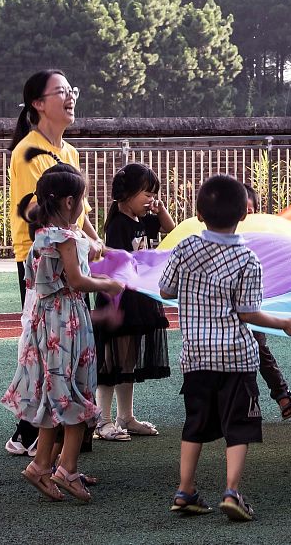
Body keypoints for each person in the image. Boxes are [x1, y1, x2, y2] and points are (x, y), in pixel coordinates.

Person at [159, 174, 291, 521]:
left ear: (197, 213)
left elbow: (165, 290)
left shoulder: (185, 247)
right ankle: (232, 492)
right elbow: (248, 312)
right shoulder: (248, 259)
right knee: (239, 426)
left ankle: (185, 490)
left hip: (195, 356)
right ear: (244, 215)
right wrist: (285, 323)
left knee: (194, 423)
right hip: (236, 358)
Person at [0, 164, 124, 502]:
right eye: (83, 201)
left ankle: (41, 465)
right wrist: (109, 284)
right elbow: (77, 280)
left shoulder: (40, 236)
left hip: (45, 318)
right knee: (74, 390)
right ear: (70, 202)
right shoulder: (67, 237)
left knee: (55, 390)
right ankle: (66, 469)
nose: (84, 208)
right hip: (67, 319)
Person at [6, 69, 104, 457]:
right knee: (45, 345)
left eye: (71, 90)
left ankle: (56, 430)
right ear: (38, 103)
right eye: (60, 92)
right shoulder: (27, 152)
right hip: (44, 262)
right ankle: (32, 430)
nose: (70, 98)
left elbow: (79, 211)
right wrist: (81, 242)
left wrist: (96, 240)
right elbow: (45, 214)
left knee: (69, 344)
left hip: (71, 256)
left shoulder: (70, 152)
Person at [92, 163, 175, 442]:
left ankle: (125, 417)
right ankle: (102, 420)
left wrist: (160, 208)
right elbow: (117, 264)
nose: (151, 199)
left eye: (155, 194)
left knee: (128, 360)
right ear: (126, 195)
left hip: (139, 299)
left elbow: (171, 229)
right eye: (147, 194)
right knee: (111, 361)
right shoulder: (118, 225)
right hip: (119, 299)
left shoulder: (146, 220)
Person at [243, 183, 291, 420]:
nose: (247, 216)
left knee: (258, 348)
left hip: (255, 303)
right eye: (241, 211)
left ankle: (281, 395)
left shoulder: (264, 239)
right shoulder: (226, 241)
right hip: (231, 310)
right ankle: (255, 400)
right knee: (245, 353)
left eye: (251, 210)